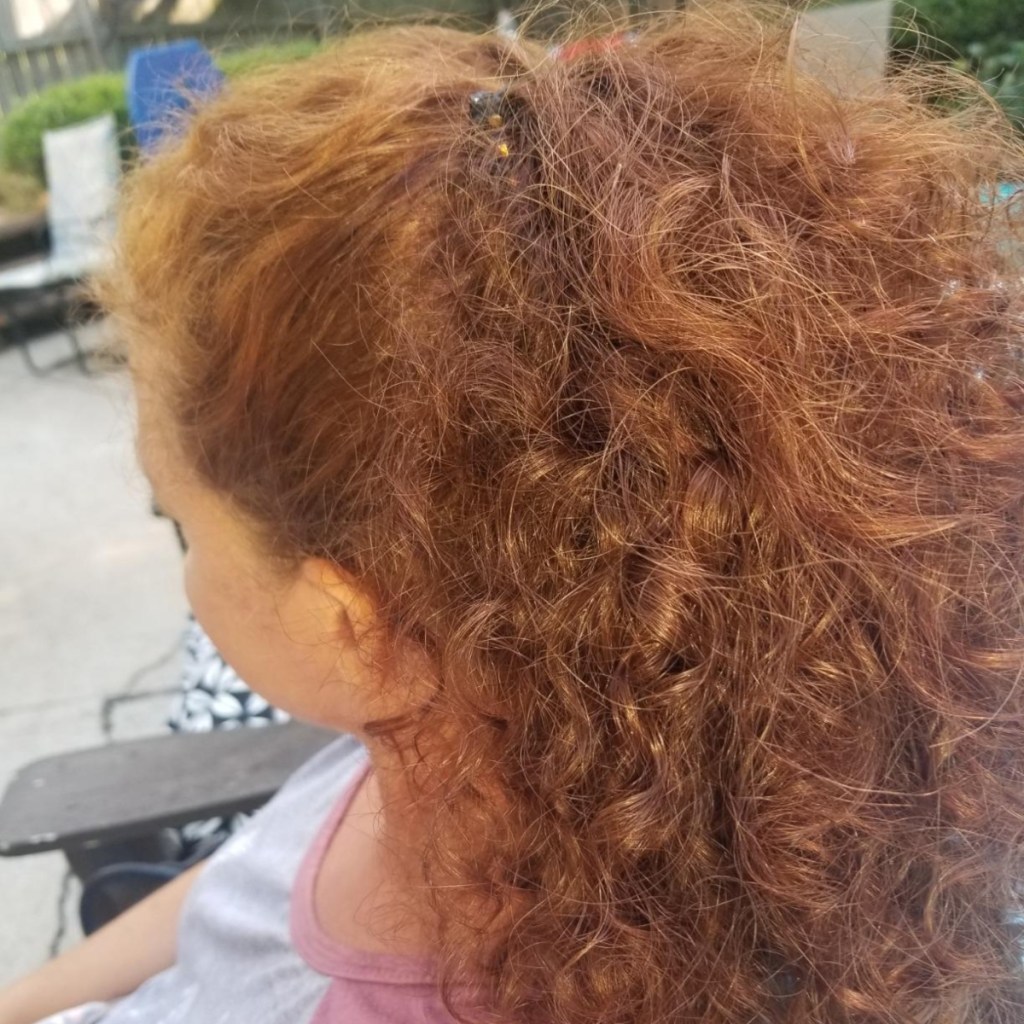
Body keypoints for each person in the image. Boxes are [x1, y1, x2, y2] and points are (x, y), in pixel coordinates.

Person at [3, 2, 1024, 1021]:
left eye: (179, 518)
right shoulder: (458, 730)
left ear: (347, 623)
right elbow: (257, 879)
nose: (186, 578)